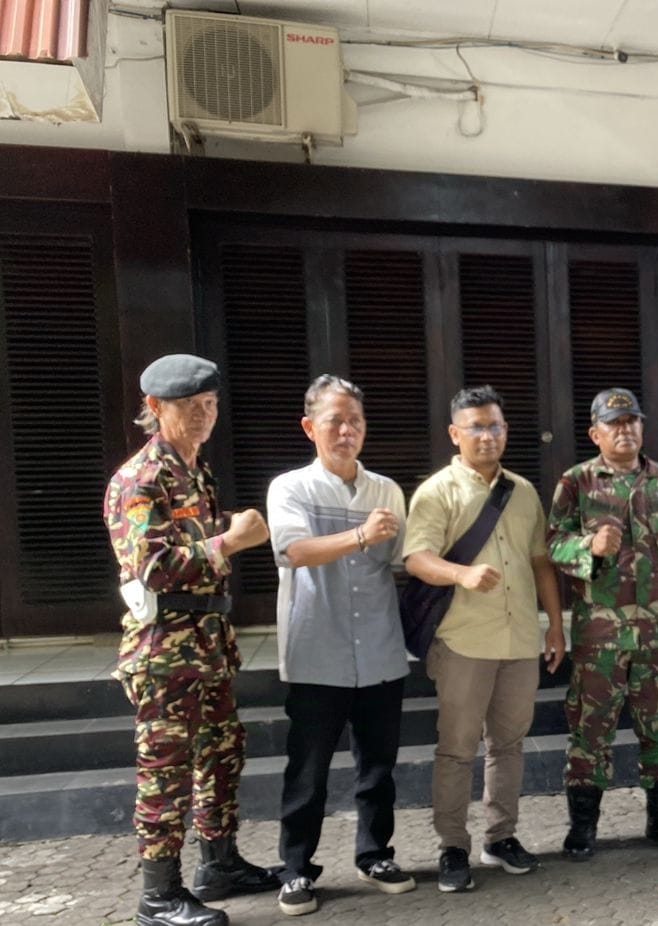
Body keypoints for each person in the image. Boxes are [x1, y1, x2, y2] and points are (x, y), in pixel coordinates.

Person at [103, 353, 279, 926]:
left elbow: (191, 540)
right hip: (163, 654)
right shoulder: (140, 479)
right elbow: (153, 566)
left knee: (221, 757)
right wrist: (231, 540)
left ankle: (219, 866)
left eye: (210, 404)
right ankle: (158, 897)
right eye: (189, 406)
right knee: (167, 775)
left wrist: (226, 529)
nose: (204, 415)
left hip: (207, 647)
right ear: (155, 408)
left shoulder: (196, 471)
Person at [403, 386, 566, 893]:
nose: (487, 435)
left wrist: (555, 625)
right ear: (455, 434)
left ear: (505, 431)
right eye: (476, 427)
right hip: (464, 642)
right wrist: (462, 574)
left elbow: (540, 561)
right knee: (456, 749)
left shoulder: (523, 491)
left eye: (495, 425)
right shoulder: (437, 491)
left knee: (509, 745)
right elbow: (416, 558)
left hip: (519, 641)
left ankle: (501, 837)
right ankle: (453, 846)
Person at [266, 376, 417, 916]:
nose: (347, 431)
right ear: (310, 427)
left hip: (379, 649)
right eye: (335, 421)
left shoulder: (386, 491)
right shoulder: (290, 488)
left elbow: (405, 559)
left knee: (377, 766)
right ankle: (296, 870)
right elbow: (294, 551)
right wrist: (359, 536)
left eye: (355, 421)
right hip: (317, 650)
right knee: (307, 772)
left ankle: (375, 856)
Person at [546, 388, 658, 860]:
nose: (624, 429)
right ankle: (583, 826)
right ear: (596, 433)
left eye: (631, 421)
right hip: (600, 638)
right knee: (590, 733)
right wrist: (587, 548)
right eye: (613, 423)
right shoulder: (576, 482)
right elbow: (552, 544)